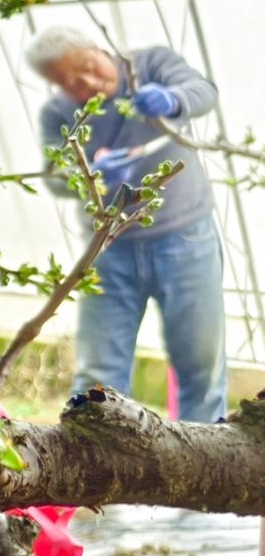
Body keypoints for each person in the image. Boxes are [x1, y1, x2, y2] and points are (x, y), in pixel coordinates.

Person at [27, 24, 227, 422]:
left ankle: (203, 454)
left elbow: (203, 91)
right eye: (69, 83)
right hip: (109, 250)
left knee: (201, 364)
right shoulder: (58, 114)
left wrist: (173, 99)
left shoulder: (150, 65)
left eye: (87, 67)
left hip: (185, 237)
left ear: (97, 47)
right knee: (98, 372)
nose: (86, 83)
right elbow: (54, 176)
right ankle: (98, 451)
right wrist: (89, 174)